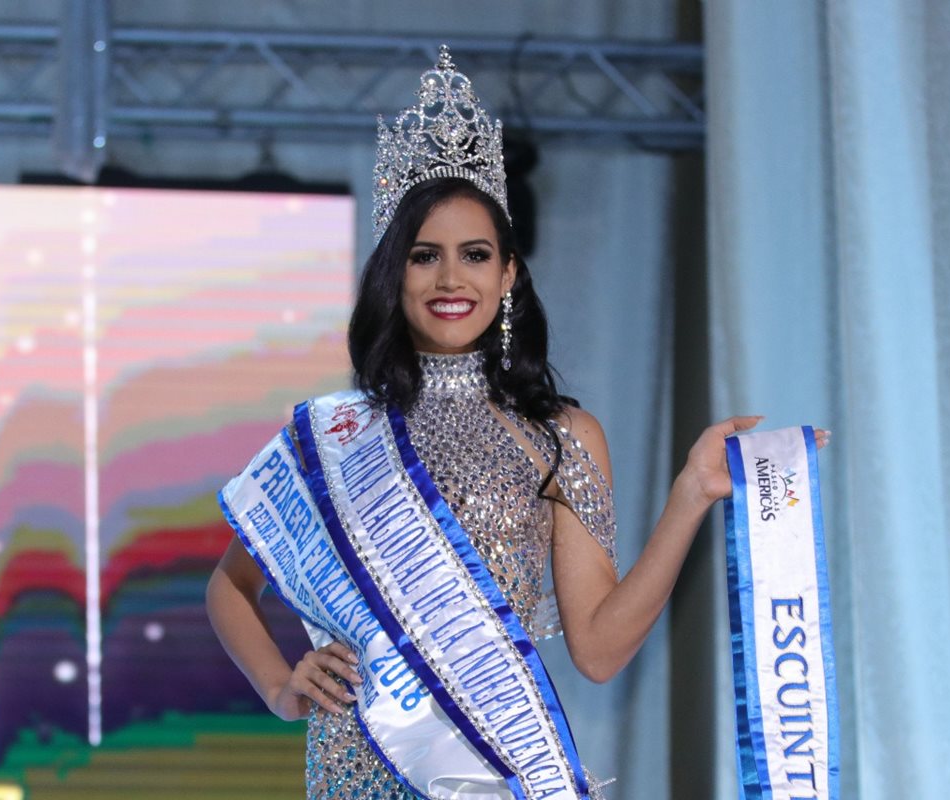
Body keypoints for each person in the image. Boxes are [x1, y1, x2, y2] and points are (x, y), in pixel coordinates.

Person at [206, 46, 825, 800]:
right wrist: (280, 685)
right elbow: (229, 587)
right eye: (424, 256)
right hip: (357, 763)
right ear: (393, 272)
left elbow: (597, 647)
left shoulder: (560, 435)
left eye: (474, 255)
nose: (449, 278)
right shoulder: (336, 434)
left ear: (507, 276)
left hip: (489, 770)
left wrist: (690, 494)